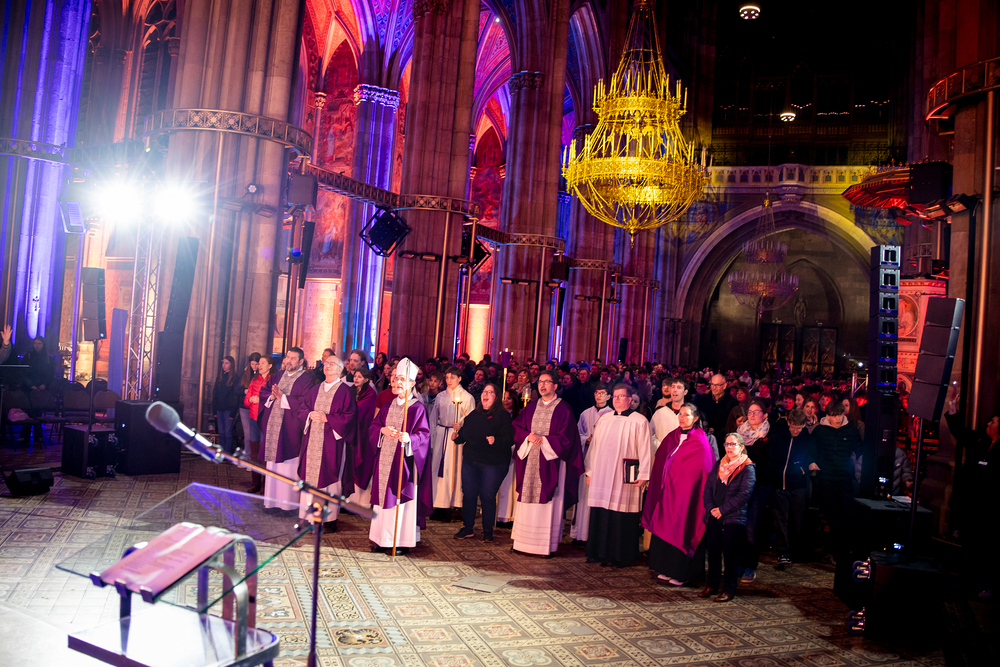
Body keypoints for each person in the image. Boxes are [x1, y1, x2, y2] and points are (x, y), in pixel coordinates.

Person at [510, 370, 584, 557]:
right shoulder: (531, 406)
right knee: (526, 499)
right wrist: (528, 436)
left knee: (549, 501)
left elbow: (568, 438)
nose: (542, 385)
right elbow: (517, 427)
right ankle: (522, 543)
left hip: (551, 463)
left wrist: (544, 440)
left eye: (547, 382)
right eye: (540, 382)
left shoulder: (563, 409)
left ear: (555, 386)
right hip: (530, 461)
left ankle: (544, 546)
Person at [643, 404, 715, 585]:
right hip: (667, 494)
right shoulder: (672, 436)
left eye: (687, 415)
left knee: (682, 528)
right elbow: (661, 462)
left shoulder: (699, 441)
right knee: (665, 526)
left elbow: (702, 470)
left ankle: (681, 573)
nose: (682, 418)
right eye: (680, 414)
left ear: (696, 418)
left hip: (686, 496)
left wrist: (684, 487)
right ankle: (666, 568)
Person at [584, 384, 652, 567]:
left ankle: (619, 556)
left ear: (630, 400)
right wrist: (590, 471)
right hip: (602, 475)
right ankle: (598, 552)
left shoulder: (639, 421)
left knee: (620, 515)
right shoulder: (605, 419)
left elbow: (646, 448)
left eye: (621, 396)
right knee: (601, 512)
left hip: (624, 477)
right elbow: (594, 447)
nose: (617, 399)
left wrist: (644, 474)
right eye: (614, 396)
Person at [368, 358, 431, 554]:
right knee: (383, 500)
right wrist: (383, 430)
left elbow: (424, 435)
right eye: (395, 379)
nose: (397, 382)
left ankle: (400, 541)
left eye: (402, 379)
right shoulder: (388, 406)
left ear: (411, 383)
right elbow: (374, 426)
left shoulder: (417, 408)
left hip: (404, 462)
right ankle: (382, 540)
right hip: (385, 460)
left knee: (399, 501)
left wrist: (410, 438)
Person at [945, 384, 999, 598]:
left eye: (993, 422)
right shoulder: (980, 440)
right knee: (969, 544)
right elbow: (961, 432)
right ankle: (965, 579)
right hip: (972, 503)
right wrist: (953, 409)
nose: (988, 423)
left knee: (986, 548)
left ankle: (985, 583)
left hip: (990, 507)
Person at [295, 354, 356, 530]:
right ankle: (309, 517)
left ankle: (329, 520)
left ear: (340, 369)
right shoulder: (315, 389)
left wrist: (327, 418)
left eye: (332, 364)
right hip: (312, 441)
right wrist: (309, 414)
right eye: (326, 363)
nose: (328, 366)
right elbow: (302, 409)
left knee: (330, 479)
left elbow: (350, 417)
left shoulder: (345, 391)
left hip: (332, 443)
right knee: (310, 477)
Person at [453, 383, 514, 541]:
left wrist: (496, 440)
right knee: (469, 494)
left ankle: (488, 531)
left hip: (493, 462)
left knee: (487, 495)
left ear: (496, 397)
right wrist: (457, 437)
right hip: (471, 460)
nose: (486, 394)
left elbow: (509, 439)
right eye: (484, 391)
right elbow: (465, 435)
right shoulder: (474, 414)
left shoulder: (502, 415)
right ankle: (468, 527)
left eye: (490, 392)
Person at [700, 432, 756, 602]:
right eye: (727, 444)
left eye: (733, 444)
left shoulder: (748, 468)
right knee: (713, 552)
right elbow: (708, 487)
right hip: (714, 514)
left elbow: (744, 495)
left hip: (733, 517)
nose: (729, 448)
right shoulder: (719, 464)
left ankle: (729, 589)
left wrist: (722, 510)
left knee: (730, 555)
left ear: (741, 447)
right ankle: (712, 585)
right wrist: (711, 508)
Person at [259, 347, 316, 510]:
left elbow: (305, 402)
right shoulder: (277, 375)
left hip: (291, 428)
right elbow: (264, 391)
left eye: (293, 358)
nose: (288, 361)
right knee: (273, 465)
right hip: (273, 427)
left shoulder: (306, 379)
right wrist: (271, 396)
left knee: (288, 464)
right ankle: (271, 502)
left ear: (301, 361)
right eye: (287, 357)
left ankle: (288, 505)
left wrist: (283, 398)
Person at [812, 399, 863, 561]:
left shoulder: (851, 431)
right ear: (828, 416)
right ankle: (835, 551)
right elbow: (811, 449)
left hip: (844, 478)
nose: (838, 419)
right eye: (834, 416)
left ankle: (835, 551)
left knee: (842, 517)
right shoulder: (820, 431)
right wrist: (812, 462)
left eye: (840, 415)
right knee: (832, 515)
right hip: (825, 478)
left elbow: (861, 450)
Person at [766, 409, 818, 565]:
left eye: (799, 427)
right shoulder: (779, 436)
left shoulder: (807, 439)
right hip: (779, 484)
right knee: (780, 519)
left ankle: (794, 550)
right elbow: (771, 459)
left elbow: (811, 457)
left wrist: (805, 468)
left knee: (796, 519)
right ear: (788, 423)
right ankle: (783, 552)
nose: (795, 430)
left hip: (798, 485)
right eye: (793, 427)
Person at [429, 366, 476, 513]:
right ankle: (438, 503)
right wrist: (432, 438)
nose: (449, 380)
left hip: (456, 437)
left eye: (452, 378)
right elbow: (433, 418)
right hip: (441, 434)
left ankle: (455, 503)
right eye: (447, 377)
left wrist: (461, 425)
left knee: (454, 468)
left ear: (459, 378)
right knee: (438, 468)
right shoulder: (440, 396)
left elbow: (472, 420)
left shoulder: (467, 397)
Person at [570, 382, 613, 543]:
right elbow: (577, 434)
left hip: (601, 461)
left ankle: (593, 535)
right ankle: (579, 534)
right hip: (586, 457)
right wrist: (586, 439)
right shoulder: (585, 413)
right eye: (596, 393)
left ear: (608, 396)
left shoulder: (612, 415)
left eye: (602, 393)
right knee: (583, 495)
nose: (598, 396)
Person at [736, 399, 772, 583]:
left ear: (765, 415)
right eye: (749, 412)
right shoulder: (739, 434)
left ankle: (751, 566)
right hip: (739, 486)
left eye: (756, 412)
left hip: (759, 486)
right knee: (739, 525)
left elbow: (768, 463)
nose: (752, 415)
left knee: (752, 526)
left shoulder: (768, 436)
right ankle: (739, 563)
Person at [244, 354, 272, 493]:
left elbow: (273, 399)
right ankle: (255, 483)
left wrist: (259, 399)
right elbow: (246, 400)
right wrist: (251, 399)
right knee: (254, 452)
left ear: (270, 366)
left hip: (265, 418)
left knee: (264, 453)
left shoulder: (273, 380)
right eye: (259, 363)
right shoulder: (254, 380)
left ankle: (265, 484)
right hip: (253, 418)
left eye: (262, 363)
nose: (259, 366)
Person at [350, 367, 378, 507]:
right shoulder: (350, 391)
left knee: (362, 464)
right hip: (351, 433)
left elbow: (364, 413)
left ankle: (362, 502)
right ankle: (349, 500)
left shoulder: (370, 394)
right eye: (355, 376)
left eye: (359, 377)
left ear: (366, 379)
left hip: (364, 434)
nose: (356, 379)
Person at [695, 374, 739, 449]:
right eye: (712, 384)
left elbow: (731, 424)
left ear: (724, 386)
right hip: (705, 439)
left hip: (722, 441)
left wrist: (717, 430)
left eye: (717, 385)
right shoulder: (704, 400)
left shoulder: (732, 402)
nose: (714, 388)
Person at [212, 356, 241, 454]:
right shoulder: (220, 377)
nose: (224, 365)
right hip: (219, 408)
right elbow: (215, 394)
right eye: (223, 363)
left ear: (231, 365)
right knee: (221, 432)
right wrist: (214, 410)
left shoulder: (235, 378)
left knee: (227, 432)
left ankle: (227, 452)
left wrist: (233, 412)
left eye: (226, 363)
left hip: (229, 409)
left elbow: (235, 396)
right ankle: (222, 452)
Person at [239, 352, 262, 460]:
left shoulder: (261, 375)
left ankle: (255, 458)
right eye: (252, 364)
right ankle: (247, 456)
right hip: (245, 407)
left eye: (256, 364)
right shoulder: (245, 373)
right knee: (247, 434)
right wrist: (245, 391)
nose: (254, 367)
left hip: (256, 407)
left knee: (255, 434)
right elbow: (236, 389)